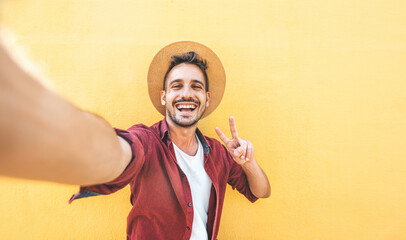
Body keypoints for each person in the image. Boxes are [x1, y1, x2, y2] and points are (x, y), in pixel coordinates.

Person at [0, 39, 270, 240]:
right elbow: (121, 153)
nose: (186, 94)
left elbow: (260, 191)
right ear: (164, 96)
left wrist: (248, 163)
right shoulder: (146, 140)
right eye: (177, 86)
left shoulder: (219, 153)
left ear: (206, 98)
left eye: (196, 86)